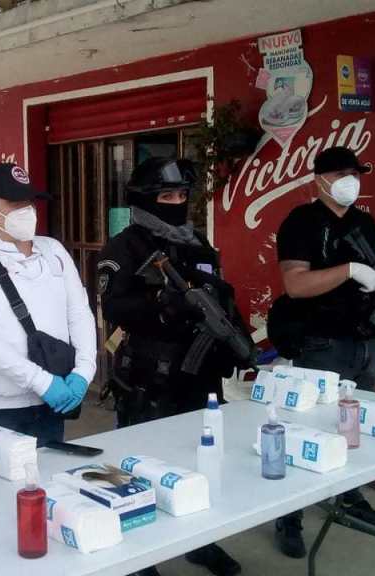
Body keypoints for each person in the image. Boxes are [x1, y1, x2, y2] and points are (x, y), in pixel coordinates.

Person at [97, 157, 253, 576]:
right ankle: (138, 557)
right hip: (150, 376)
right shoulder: (125, 247)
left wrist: (237, 336)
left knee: (200, 463)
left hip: (199, 375)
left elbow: (220, 294)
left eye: (182, 195)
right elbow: (113, 307)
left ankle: (201, 542)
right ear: (144, 200)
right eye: (167, 196)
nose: (177, 202)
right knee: (139, 467)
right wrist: (162, 305)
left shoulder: (196, 241)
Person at [271, 145, 375, 559]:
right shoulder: (302, 221)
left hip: (365, 341)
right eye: (341, 174)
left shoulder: (364, 223)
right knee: (307, 428)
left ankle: (349, 497)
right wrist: (348, 270)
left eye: (356, 173)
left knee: (352, 427)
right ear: (320, 180)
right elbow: (295, 284)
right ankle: (289, 515)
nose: (351, 181)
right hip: (321, 343)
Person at [0, 163, 96, 446]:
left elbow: (79, 312)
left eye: (29, 203)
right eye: (14, 204)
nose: (26, 211)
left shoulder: (53, 250)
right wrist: (41, 381)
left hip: (49, 402)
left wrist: (84, 371)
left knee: (46, 471)